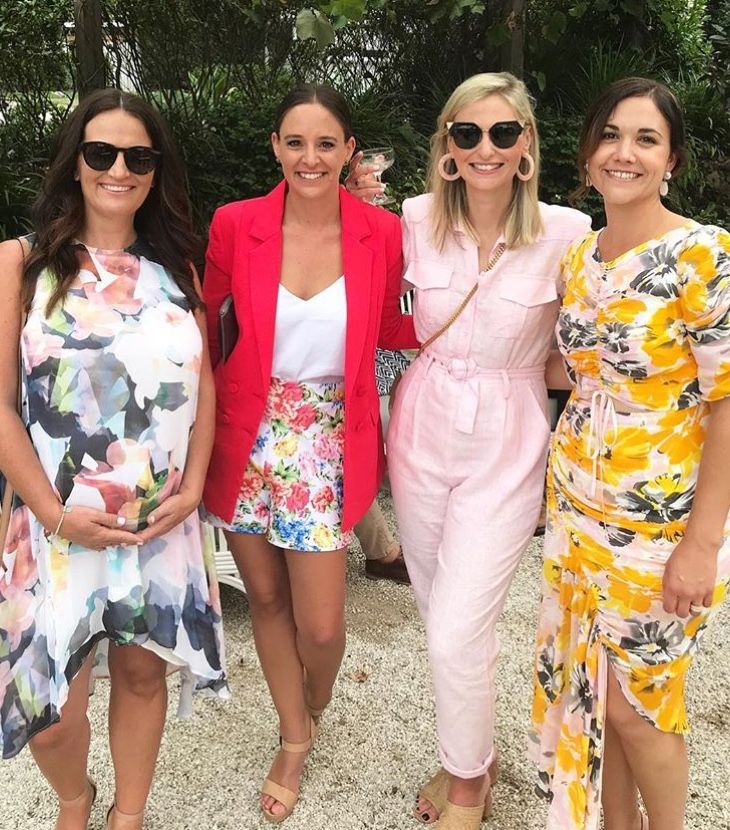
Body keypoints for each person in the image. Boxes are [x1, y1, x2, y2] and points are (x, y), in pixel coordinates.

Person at [350, 72, 590, 829]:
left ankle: (464, 785)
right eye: (468, 133)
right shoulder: (414, 218)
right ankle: (474, 754)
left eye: (503, 133)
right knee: (443, 617)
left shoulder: (568, 231)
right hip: (422, 422)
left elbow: (586, 343)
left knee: (457, 625)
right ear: (447, 148)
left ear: (526, 147)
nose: (486, 148)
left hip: (509, 433)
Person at [0, 88, 227, 830]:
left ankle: (129, 814)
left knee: (141, 674)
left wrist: (193, 487)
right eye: (101, 152)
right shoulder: (20, 265)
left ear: (156, 171)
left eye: (139, 157)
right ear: (75, 163)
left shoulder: (178, 269)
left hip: (157, 521)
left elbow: (205, 384)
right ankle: (76, 796)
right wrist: (53, 513)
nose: (119, 169)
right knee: (50, 712)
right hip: (55, 525)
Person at [202, 83, 417, 822]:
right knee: (265, 597)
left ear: (349, 150)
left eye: (326, 143)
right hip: (246, 432)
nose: (310, 157)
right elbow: (208, 327)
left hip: (326, 438)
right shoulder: (237, 223)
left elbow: (394, 328)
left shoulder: (381, 232)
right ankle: (293, 736)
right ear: (275, 147)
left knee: (322, 626)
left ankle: (312, 700)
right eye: (295, 142)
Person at [529, 77, 730, 830]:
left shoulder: (703, 254)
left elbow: (727, 401)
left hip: (661, 521)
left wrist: (701, 545)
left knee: (641, 705)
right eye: (611, 135)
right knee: (595, 691)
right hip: (577, 509)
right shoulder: (579, 259)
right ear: (587, 155)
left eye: (647, 138)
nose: (625, 152)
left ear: (671, 159)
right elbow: (575, 373)